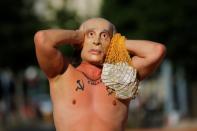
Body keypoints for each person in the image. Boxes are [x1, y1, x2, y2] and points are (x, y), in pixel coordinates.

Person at [34, 17, 166, 131]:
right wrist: (77, 35)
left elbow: (156, 51)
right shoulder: (62, 73)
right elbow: (42, 39)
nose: (96, 41)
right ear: (79, 42)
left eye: (104, 36)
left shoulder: (122, 77)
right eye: (90, 34)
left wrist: (117, 43)